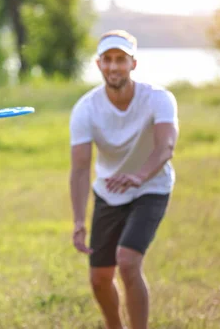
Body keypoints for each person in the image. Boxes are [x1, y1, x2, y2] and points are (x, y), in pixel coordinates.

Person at [69, 30, 179, 329]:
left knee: (128, 262)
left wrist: (139, 176)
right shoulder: (86, 108)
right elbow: (80, 168)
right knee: (99, 278)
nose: (114, 66)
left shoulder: (158, 98)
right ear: (99, 64)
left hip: (151, 187)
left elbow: (165, 146)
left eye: (121, 59)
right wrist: (79, 221)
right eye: (108, 60)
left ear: (133, 63)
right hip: (109, 191)